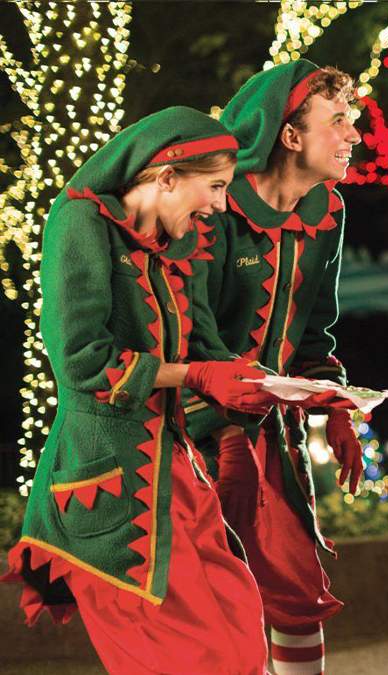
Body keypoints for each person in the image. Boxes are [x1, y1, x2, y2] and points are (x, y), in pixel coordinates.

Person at [1, 107, 275, 673]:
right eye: (215, 187)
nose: (221, 206)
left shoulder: (176, 246)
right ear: (167, 176)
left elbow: (205, 349)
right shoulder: (82, 222)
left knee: (241, 632)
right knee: (192, 657)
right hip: (109, 484)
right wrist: (196, 377)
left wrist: (283, 389)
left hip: (179, 472)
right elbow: (83, 364)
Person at [186, 59, 363, 674]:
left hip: (269, 432)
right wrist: (220, 428)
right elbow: (188, 333)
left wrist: (335, 407)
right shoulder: (213, 206)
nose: (353, 135)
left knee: (294, 589)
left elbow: (315, 330)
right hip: (189, 427)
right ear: (289, 135)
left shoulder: (328, 210)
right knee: (209, 596)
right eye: (337, 120)